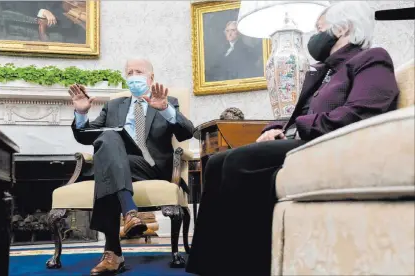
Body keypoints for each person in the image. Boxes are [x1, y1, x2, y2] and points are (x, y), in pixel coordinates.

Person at [186, 1, 400, 275]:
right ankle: (210, 266)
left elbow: (362, 111)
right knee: (217, 162)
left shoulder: (371, 58)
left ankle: (248, 266)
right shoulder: (323, 70)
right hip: (305, 140)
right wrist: (271, 130)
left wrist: (298, 126)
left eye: (320, 28)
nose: (315, 36)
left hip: (329, 145)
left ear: (343, 27)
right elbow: (295, 113)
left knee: (243, 161)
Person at [68, 58, 194, 276]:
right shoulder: (114, 106)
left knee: (106, 163)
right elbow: (85, 136)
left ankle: (113, 252)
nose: (133, 75)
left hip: (151, 166)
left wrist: (165, 109)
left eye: (139, 71)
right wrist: (81, 114)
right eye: (130, 72)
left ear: (151, 78)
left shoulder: (167, 101)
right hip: (117, 162)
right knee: (107, 138)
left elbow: (187, 131)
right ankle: (130, 212)